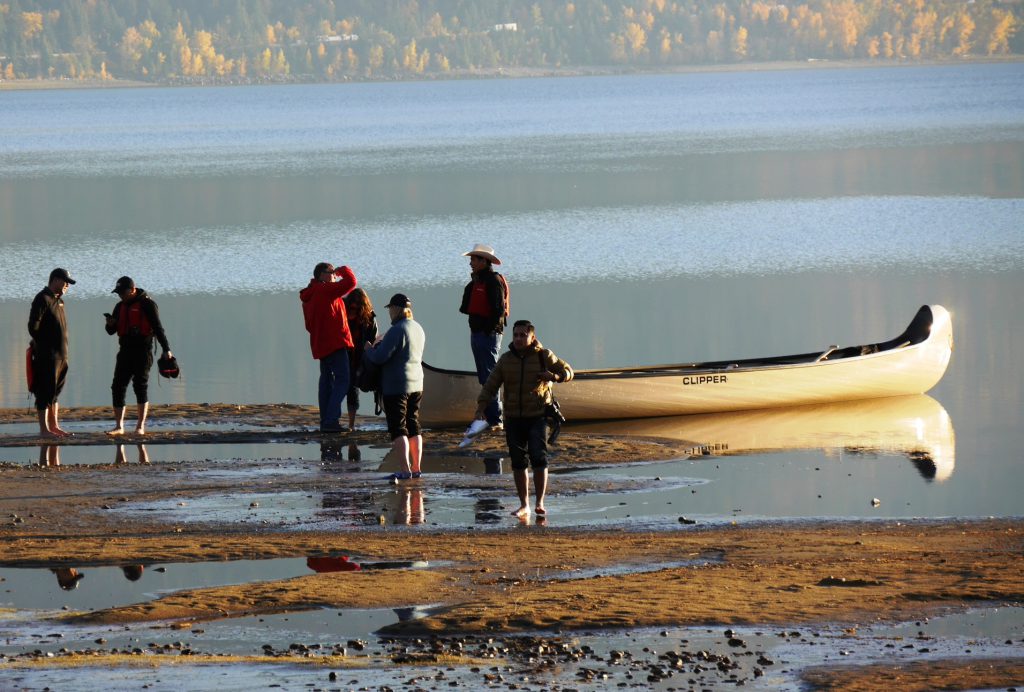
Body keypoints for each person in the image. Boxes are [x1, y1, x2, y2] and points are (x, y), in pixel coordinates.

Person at [475, 320, 573, 519]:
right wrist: (481, 407)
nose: (518, 339)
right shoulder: (506, 360)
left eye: (523, 335)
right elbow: (491, 385)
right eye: (516, 335)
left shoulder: (544, 356)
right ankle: (524, 505)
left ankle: (540, 503)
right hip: (513, 418)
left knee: (539, 458)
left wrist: (553, 376)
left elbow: (569, 372)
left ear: (532, 337)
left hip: (537, 417)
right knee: (518, 462)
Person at [364, 293, 425, 481]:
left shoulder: (397, 331)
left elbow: (380, 357)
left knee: (398, 428)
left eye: (390, 308)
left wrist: (369, 349)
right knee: (414, 426)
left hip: (396, 385)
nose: (389, 312)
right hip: (417, 384)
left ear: (396, 309)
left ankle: (405, 470)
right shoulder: (418, 328)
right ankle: (416, 468)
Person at [104, 276, 173, 435]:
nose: (120, 295)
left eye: (123, 292)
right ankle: (119, 426)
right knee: (117, 386)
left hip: (143, 351)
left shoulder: (147, 304)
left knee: (140, 386)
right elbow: (111, 332)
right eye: (118, 292)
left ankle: (140, 426)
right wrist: (110, 324)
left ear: (133, 290)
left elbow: (158, 327)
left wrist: (166, 349)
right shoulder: (119, 306)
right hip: (125, 351)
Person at [299, 262, 358, 432]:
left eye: (334, 272)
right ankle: (331, 420)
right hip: (335, 342)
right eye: (331, 272)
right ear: (323, 275)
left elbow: (309, 325)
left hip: (320, 343)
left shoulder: (310, 294)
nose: (334, 275)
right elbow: (351, 282)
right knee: (343, 380)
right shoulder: (325, 289)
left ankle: (325, 420)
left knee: (326, 381)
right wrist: (343, 270)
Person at [459, 243, 508, 431]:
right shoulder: (476, 282)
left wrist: (487, 331)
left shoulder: (493, 281)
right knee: (484, 376)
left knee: (490, 376)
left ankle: (496, 419)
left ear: (483, 261)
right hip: (478, 334)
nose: (470, 263)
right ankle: (489, 416)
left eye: (473, 259)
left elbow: (498, 310)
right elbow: (466, 306)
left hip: (488, 335)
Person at [27, 268, 76, 438]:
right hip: (47, 356)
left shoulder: (59, 301)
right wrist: (42, 343)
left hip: (62, 355)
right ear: (55, 280)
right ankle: (44, 429)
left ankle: (54, 426)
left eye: (69, 284)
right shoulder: (43, 298)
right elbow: (33, 327)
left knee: (55, 393)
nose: (67, 286)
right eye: (65, 282)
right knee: (44, 392)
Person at [343, 288, 378, 430]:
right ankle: (349, 422)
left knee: (351, 388)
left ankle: (349, 422)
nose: (354, 307)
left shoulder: (366, 316)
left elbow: (373, 338)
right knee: (351, 388)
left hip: (354, 356)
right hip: (352, 356)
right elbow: (374, 339)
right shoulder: (368, 316)